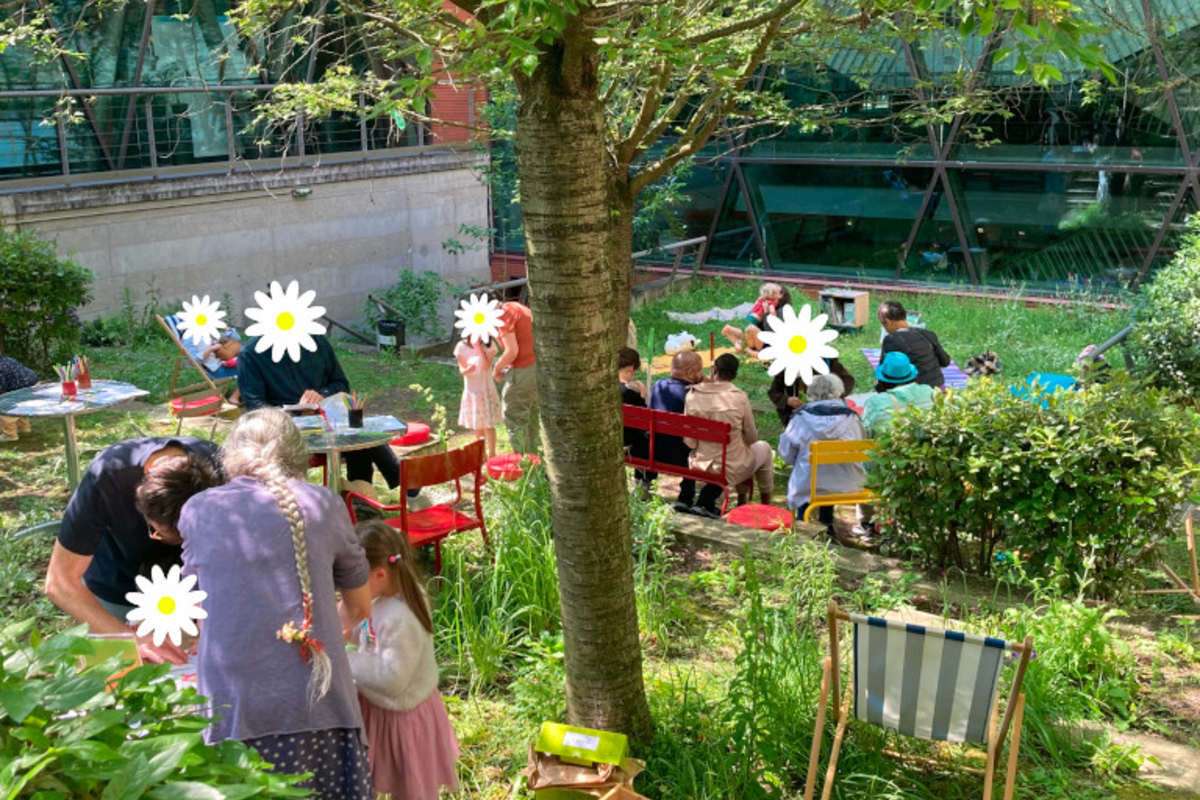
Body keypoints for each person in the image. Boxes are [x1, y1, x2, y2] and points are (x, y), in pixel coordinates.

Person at [176, 409, 374, 799]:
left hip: (231, 713)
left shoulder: (198, 510)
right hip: (320, 705)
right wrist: (320, 634)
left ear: (230, 455)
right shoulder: (324, 504)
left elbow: (190, 616)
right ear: (299, 455)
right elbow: (360, 607)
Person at [43, 437, 221, 663]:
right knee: (126, 677)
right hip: (117, 583)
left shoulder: (218, 469)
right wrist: (129, 638)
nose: (182, 550)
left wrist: (217, 624)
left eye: (189, 539)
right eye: (159, 534)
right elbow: (59, 582)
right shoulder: (105, 479)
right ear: (138, 496)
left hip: (202, 591)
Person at [348, 520, 460, 800]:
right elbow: (373, 635)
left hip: (403, 718)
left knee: (410, 788)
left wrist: (347, 660)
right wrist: (351, 635)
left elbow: (393, 679)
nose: (350, 589)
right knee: (375, 776)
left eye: (354, 581)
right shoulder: (382, 598)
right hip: (381, 709)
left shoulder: (401, 617)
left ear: (380, 574)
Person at [238, 332, 403, 493]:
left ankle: (360, 499)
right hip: (284, 433)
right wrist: (293, 413)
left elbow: (341, 383)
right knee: (357, 437)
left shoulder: (316, 342)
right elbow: (256, 408)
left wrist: (322, 395)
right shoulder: (251, 354)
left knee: (357, 435)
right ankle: (396, 482)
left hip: (329, 422)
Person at [684, 353, 774, 516]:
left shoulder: (692, 395)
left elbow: (689, 442)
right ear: (735, 374)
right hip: (730, 467)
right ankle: (764, 503)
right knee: (764, 449)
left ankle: (742, 500)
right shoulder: (740, 397)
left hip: (700, 463)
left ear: (714, 370)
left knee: (739, 451)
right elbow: (752, 438)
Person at [777, 374, 867, 535]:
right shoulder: (852, 418)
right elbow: (861, 446)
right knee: (828, 472)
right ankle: (827, 523)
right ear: (838, 393)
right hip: (849, 483)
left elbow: (786, 455)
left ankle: (801, 520)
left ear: (810, 393)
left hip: (810, 485)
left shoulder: (800, 419)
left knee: (811, 474)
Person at [859, 352, 936, 537]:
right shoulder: (929, 392)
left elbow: (864, 435)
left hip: (883, 471)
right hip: (924, 466)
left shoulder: (876, 402)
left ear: (883, 381)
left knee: (866, 462)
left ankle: (868, 522)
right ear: (913, 376)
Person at [649, 350, 704, 513]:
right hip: (684, 458)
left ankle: (645, 484)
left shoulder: (658, 386)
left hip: (655, 451)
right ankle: (686, 497)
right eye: (700, 370)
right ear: (689, 373)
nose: (703, 373)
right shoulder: (693, 394)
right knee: (694, 442)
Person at [491, 300, 539, 453]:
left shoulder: (504, 315)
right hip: (536, 368)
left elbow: (512, 351)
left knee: (514, 417)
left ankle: (523, 465)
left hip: (522, 370)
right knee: (531, 416)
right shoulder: (515, 307)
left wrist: (496, 369)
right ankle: (534, 464)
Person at [878, 300, 951, 388]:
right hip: (938, 390)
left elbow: (884, 372)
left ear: (887, 322)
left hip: (915, 393)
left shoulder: (891, 340)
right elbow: (945, 361)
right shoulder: (928, 334)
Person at [767, 358, 856, 426]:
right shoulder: (786, 366)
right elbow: (773, 392)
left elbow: (848, 381)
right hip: (797, 416)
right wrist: (787, 400)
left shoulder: (826, 361)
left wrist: (831, 394)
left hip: (828, 413)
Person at [454, 330, 501, 458]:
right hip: (472, 391)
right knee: (478, 424)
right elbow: (462, 370)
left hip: (486, 390)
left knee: (489, 424)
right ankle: (481, 453)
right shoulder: (461, 347)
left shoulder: (489, 346)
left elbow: (486, 366)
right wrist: (468, 369)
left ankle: (492, 454)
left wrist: (478, 349)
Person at [618, 347, 653, 498]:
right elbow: (645, 419)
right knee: (646, 437)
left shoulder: (605, 389)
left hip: (612, 435)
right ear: (631, 369)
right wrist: (644, 397)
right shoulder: (631, 394)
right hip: (628, 440)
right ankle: (643, 480)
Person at [722, 282, 782, 355]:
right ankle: (732, 331)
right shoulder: (771, 302)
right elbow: (772, 312)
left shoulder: (761, 299)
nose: (780, 295)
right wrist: (773, 315)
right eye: (778, 293)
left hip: (750, 316)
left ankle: (735, 338)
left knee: (744, 333)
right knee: (744, 334)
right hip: (754, 320)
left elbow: (754, 307)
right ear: (773, 294)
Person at [0, 354, 38, 442]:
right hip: (32, 383)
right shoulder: (4, 359)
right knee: (21, 406)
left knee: (5, 407)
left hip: (21, 387)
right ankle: (23, 427)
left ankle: (9, 435)